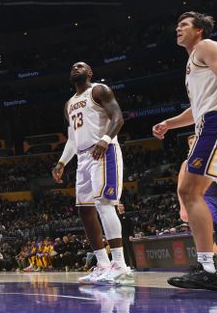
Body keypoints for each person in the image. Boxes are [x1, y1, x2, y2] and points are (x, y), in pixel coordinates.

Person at [153, 11, 217, 290]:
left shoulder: (206, 47)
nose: (177, 29)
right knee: (191, 191)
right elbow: (198, 108)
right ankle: (207, 266)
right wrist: (170, 123)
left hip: (216, 122)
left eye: (184, 25)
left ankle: (208, 268)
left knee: (189, 191)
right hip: (209, 120)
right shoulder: (193, 62)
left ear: (199, 31)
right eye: (177, 25)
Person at [52, 62, 133, 286]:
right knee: (85, 211)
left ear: (90, 72)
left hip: (103, 152)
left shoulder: (99, 90)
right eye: (72, 67)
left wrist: (105, 141)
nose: (75, 68)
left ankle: (120, 266)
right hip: (82, 157)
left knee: (104, 204)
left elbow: (118, 117)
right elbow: (72, 137)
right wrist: (61, 162)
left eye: (81, 66)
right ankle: (103, 264)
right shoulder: (69, 103)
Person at [178, 135, 217, 252]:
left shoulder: (214, 157)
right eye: (190, 143)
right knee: (216, 223)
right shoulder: (186, 164)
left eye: (194, 142)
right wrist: (182, 207)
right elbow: (180, 187)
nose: (193, 145)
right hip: (204, 198)